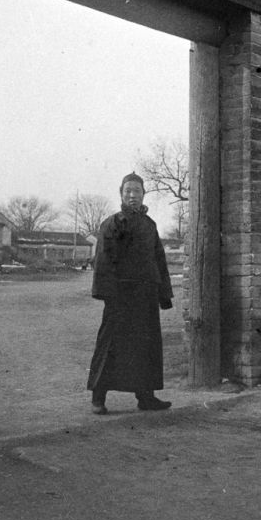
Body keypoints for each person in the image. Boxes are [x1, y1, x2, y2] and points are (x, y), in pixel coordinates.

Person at [86, 172, 174, 413]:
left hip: (146, 295)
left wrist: (163, 294)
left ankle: (146, 397)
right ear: (121, 194)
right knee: (110, 344)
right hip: (120, 296)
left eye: (137, 191)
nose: (133, 195)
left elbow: (158, 260)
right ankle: (98, 397)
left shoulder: (150, 225)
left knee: (146, 345)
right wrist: (108, 294)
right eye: (128, 191)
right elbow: (103, 260)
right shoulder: (113, 223)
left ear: (144, 194)